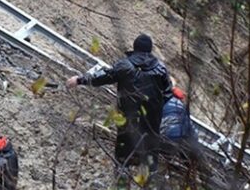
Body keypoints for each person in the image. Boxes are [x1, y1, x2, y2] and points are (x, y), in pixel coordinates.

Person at [66, 34, 174, 166]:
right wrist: (155, 106)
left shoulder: (125, 65)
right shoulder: (161, 69)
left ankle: (123, 176)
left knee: (123, 154)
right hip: (152, 120)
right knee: (150, 156)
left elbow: (103, 77)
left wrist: (79, 80)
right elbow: (168, 93)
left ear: (135, 48)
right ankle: (147, 180)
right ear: (150, 50)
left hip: (128, 116)